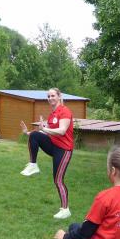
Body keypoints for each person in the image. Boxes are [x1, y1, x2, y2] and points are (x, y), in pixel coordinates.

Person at [19, 87, 74, 219]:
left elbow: (62, 131)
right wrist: (28, 133)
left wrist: (45, 129)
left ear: (59, 96)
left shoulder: (65, 111)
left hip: (64, 150)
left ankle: (65, 210)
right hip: (53, 146)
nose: (50, 98)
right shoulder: (52, 115)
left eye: (52, 96)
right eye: (48, 96)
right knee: (35, 135)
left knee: (58, 180)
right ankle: (33, 165)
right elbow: (45, 133)